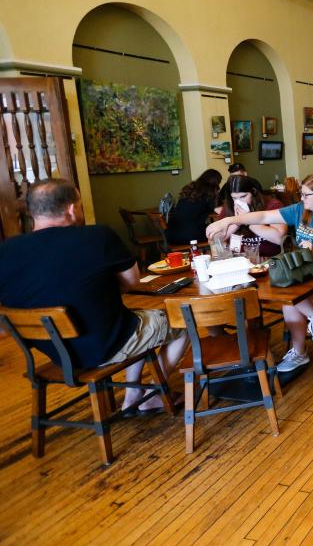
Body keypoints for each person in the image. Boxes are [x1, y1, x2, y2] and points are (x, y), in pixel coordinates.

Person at [0, 179, 187, 414]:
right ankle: (152, 394)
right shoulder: (97, 236)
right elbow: (132, 282)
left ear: (32, 212)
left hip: (57, 353)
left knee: (134, 320)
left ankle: (132, 394)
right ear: (71, 209)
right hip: (104, 345)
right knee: (181, 323)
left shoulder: (5, 250)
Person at [206, 173, 313, 372]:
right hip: (306, 271)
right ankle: (310, 331)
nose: (301, 198)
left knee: (290, 302)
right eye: (301, 194)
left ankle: (300, 352)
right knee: (289, 297)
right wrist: (229, 220)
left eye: (305, 195)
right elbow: (263, 216)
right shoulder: (299, 210)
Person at [216, 175, 288, 258]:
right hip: (239, 259)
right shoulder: (229, 208)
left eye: (243, 196)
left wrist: (247, 220)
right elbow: (216, 239)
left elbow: (279, 239)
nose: (238, 202)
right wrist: (237, 221)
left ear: (253, 192)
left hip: (270, 259)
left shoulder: (272, 205)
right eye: (234, 198)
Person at [166, 168, 222, 246]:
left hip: (171, 235)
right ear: (216, 182)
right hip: (189, 236)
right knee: (218, 232)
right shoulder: (209, 192)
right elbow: (219, 210)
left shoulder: (190, 189)